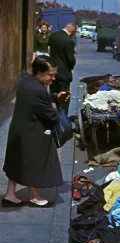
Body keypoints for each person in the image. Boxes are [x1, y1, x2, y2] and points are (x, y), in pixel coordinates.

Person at [2, 55, 70, 207]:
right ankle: (34, 197)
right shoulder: (36, 89)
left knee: (17, 161)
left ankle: (10, 194)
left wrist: (54, 98)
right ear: (39, 73)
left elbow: (40, 101)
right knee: (35, 163)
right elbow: (50, 115)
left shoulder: (27, 80)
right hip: (32, 132)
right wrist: (54, 106)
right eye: (50, 75)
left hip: (21, 129)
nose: (53, 78)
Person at [48, 23, 77, 113]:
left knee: (52, 96)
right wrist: (71, 66)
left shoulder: (53, 36)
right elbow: (70, 60)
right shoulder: (68, 41)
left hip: (52, 72)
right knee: (64, 99)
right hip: (63, 74)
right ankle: (62, 120)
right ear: (72, 30)